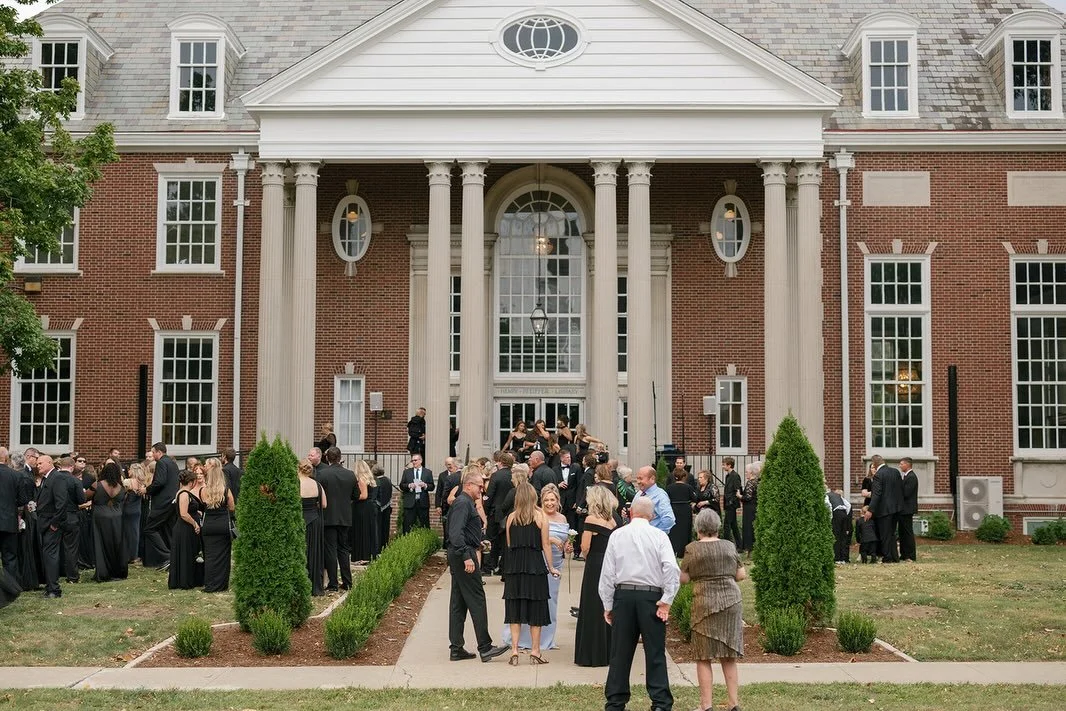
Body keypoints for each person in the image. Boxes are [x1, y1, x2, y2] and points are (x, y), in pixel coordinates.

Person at [599, 495, 680, 711]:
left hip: (623, 596)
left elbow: (607, 573)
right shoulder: (659, 536)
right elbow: (671, 568)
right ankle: (661, 702)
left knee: (620, 652)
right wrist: (666, 600)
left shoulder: (617, 535)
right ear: (652, 516)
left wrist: (608, 604)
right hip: (651, 598)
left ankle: (615, 702)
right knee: (655, 651)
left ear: (631, 513)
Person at [681, 508, 746, 711]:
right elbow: (741, 575)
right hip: (731, 602)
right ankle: (733, 703)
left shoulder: (692, 549)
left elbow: (684, 579)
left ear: (698, 528)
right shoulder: (729, 546)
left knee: (704, 656)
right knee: (729, 656)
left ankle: (706, 706)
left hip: (704, 604)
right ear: (717, 526)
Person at [446, 467, 509, 663]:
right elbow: (455, 534)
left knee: (459, 602)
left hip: (462, 552)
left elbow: (462, 532)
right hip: (463, 555)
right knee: (477, 599)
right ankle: (485, 646)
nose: (482, 491)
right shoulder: (463, 503)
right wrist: (467, 555)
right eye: (480, 487)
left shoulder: (465, 503)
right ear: (469, 485)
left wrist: (477, 541)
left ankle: (456, 648)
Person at [504, 482, 568, 652]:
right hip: (535, 567)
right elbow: (546, 545)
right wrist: (552, 567)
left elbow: (510, 544)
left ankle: (515, 650)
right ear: (534, 497)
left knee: (515, 610)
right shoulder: (541, 517)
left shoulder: (511, 517)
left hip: (515, 569)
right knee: (536, 609)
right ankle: (535, 651)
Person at [574, 484, 617, 667]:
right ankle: (607, 651)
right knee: (606, 603)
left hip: (595, 564)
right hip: (610, 564)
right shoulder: (614, 521)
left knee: (591, 605)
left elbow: (585, 547)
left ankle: (591, 653)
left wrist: (586, 556)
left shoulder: (591, 519)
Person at [318, 447, 355, 591]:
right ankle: (347, 582)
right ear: (340, 457)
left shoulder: (322, 474)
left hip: (328, 517)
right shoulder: (350, 474)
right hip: (344, 517)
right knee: (344, 550)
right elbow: (356, 495)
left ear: (327, 458)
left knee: (330, 550)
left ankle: (333, 583)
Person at [88, 461, 128, 582]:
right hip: (117, 516)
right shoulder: (121, 488)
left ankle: (103, 572)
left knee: (101, 544)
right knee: (116, 544)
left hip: (100, 516)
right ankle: (118, 572)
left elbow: (85, 497)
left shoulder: (97, 485)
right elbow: (122, 501)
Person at [199, 458, 234, 592]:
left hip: (208, 525)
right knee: (224, 556)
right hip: (222, 525)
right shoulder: (225, 490)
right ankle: (221, 585)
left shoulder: (203, 490)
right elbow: (232, 507)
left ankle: (210, 584)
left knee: (210, 556)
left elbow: (203, 505)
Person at [143, 442, 179, 569]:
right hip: (172, 502)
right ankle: (173, 558)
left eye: (153, 452)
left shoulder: (162, 463)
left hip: (162, 503)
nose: (152, 455)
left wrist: (146, 490)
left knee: (149, 529)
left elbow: (159, 482)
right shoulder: (173, 463)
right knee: (168, 530)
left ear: (159, 452)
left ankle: (167, 556)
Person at [34, 455, 65, 598]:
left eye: (40, 463)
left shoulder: (56, 477)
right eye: (37, 463)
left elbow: (61, 504)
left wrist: (54, 524)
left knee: (51, 556)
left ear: (49, 462)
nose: (38, 465)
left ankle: (54, 589)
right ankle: (50, 586)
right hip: (44, 523)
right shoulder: (47, 478)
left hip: (51, 525)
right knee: (48, 556)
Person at [168, 469, 204, 590]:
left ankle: (188, 578)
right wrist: (195, 524)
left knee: (187, 553)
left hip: (185, 528)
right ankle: (184, 580)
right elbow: (183, 513)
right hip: (185, 529)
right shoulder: (184, 494)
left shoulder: (183, 492)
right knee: (185, 553)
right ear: (191, 482)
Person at [866, 454, 903, 563]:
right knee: (892, 533)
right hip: (896, 508)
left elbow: (876, 494)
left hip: (884, 509)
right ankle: (895, 556)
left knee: (885, 534)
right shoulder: (895, 472)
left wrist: (870, 510)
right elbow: (900, 489)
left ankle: (887, 557)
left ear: (874, 464)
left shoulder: (878, 475)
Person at [0, 448, 29, 583]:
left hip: (8, 520)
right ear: (6, 458)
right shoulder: (16, 475)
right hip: (9, 521)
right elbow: (23, 500)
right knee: (10, 557)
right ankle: (10, 587)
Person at [299, 457, 327, 596]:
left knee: (301, 551)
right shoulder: (317, 485)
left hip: (299, 521)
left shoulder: (295, 484)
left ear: (298, 469)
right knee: (314, 551)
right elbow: (324, 504)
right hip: (315, 520)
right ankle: (314, 585)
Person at [484, 452, 514, 574]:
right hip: (510, 512)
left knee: (491, 540)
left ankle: (489, 566)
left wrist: (485, 511)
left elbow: (489, 495)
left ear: (500, 462)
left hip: (495, 512)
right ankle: (503, 568)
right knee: (505, 541)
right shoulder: (513, 475)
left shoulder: (496, 476)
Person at [350, 460, 378, 565]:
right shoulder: (370, 479)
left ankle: (363, 556)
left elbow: (364, 495)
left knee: (362, 530)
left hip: (362, 507)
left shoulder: (361, 479)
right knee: (368, 530)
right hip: (369, 507)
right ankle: (368, 554)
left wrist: (353, 497)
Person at [634, 465, 675, 534]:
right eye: (637, 478)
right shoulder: (639, 494)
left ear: (652, 479)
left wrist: (656, 535)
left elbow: (669, 519)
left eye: (641, 478)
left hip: (649, 539)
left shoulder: (660, 496)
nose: (638, 482)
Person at [399, 454, 434, 534]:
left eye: (415, 460)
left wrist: (425, 485)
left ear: (420, 461)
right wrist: (409, 485)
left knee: (425, 525)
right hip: (410, 502)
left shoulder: (428, 472)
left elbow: (432, 486)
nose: (413, 462)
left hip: (422, 502)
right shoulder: (407, 472)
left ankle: (426, 542)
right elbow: (401, 485)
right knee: (407, 525)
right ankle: (406, 542)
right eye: (412, 460)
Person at [667, 468, 697, 558]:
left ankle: (674, 550)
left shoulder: (669, 488)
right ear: (684, 477)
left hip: (673, 509)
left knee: (674, 530)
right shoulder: (688, 487)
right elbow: (694, 498)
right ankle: (684, 551)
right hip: (685, 510)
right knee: (685, 530)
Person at [122, 462, 147, 564]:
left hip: (127, 508)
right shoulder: (142, 483)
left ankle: (127, 555)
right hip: (137, 510)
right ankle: (134, 555)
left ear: (132, 470)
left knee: (126, 533)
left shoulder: (128, 481)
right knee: (135, 532)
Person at [435, 457, 462, 544]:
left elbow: (445, 494)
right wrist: (438, 505)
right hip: (447, 506)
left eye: (451, 464)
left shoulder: (463, 475)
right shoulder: (442, 475)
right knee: (446, 527)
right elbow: (439, 491)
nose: (449, 466)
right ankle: (447, 544)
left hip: (452, 504)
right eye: (448, 465)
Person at [898, 457, 919, 562]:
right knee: (902, 532)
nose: (900, 466)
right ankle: (904, 554)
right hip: (903, 509)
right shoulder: (906, 476)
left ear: (907, 464)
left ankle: (910, 555)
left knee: (907, 532)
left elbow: (906, 493)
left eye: (901, 464)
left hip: (907, 509)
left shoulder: (911, 477)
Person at [826, 486, 852, 564]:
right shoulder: (837, 495)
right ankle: (843, 558)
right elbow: (848, 505)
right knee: (843, 536)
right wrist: (845, 515)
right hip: (844, 512)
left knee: (836, 536)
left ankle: (837, 558)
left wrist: (830, 518)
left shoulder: (826, 496)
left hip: (836, 513)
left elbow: (828, 506)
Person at [721, 457, 742, 546]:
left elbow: (737, 489)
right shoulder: (728, 476)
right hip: (728, 503)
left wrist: (731, 501)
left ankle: (726, 545)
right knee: (733, 525)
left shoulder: (735, 476)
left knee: (727, 525)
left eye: (724, 464)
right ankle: (739, 545)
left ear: (729, 465)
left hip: (731, 504)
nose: (722, 466)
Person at [373, 462, 393, 552]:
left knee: (377, 529)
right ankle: (384, 547)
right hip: (387, 507)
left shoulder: (376, 481)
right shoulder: (388, 480)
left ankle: (377, 549)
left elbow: (374, 495)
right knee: (385, 528)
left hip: (377, 507)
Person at [740, 462, 759, 554]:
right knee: (752, 527)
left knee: (748, 528)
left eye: (746, 472)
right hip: (754, 507)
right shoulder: (757, 481)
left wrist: (739, 496)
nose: (746, 473)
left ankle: (749, 548)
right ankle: (753, 549)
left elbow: (747, 497)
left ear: (751, 472)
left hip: (749, 508)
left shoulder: (750, 483)